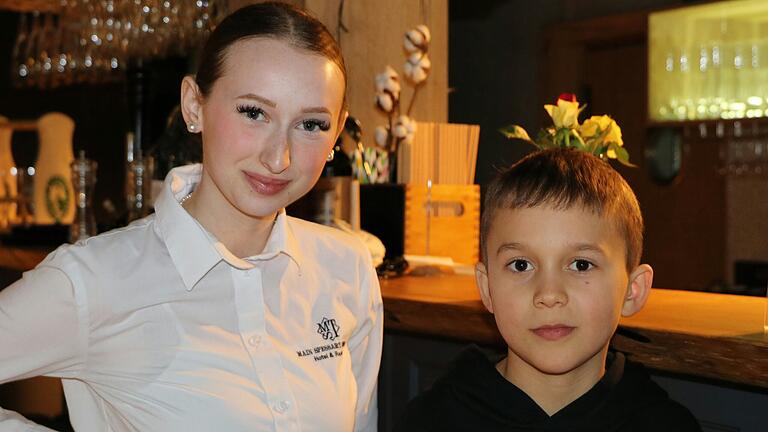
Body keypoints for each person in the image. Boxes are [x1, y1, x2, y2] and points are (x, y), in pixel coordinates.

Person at [0, 3, 382, 431]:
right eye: (254, 113)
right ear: (194, 106)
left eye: (311, 124)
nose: (280, 158)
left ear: (337, 131)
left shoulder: (346, 268)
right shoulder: (93, 280)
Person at [396, 148, 701, 431]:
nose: (549, 294)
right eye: (521, 265)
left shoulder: (666, 425)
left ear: (632, 291)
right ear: (487, 288)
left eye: (581, 265)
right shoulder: (431, 420)